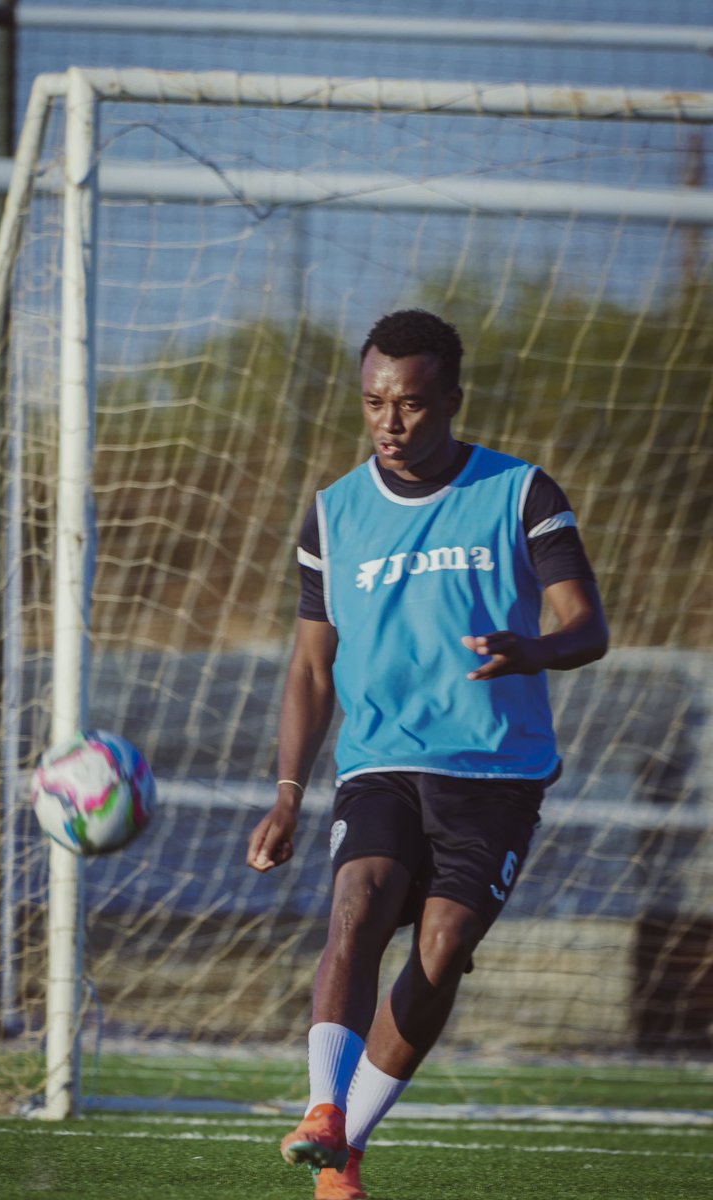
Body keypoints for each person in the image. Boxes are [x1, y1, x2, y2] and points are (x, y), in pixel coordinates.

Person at [246, 309, 608, 1200]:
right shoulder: (334, 512)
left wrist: (537, 650)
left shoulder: (521, 492)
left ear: (450, 397)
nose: (389, 422)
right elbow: (310, 664)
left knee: (443, 947)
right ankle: (323, 1113)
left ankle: (347, 1149)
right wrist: (289, 793)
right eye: (373, 402)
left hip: (496, 771)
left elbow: (586, 625)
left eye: (408, 403)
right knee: (358, 902)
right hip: (380, 761)